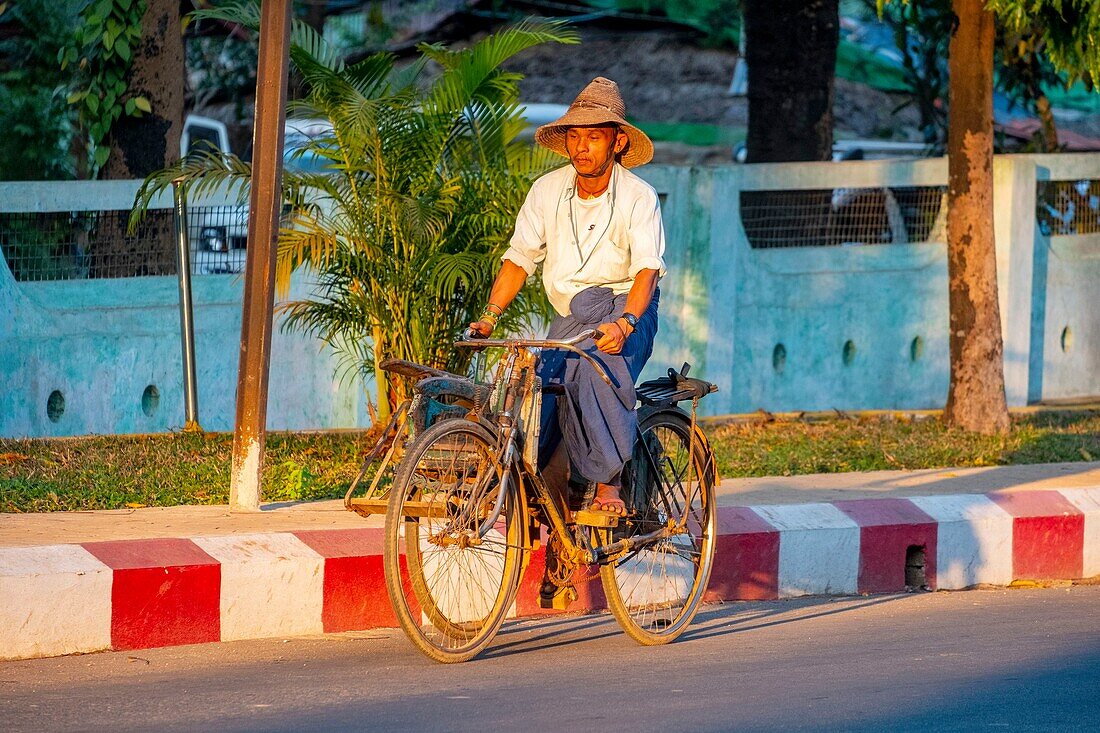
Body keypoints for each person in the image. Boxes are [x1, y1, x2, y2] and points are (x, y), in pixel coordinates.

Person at [468, 76, 666, 518]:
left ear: (616, 143)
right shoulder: (546, 191)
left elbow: (646, 272)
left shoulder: (639, 196)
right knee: (540, 383)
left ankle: (608, 482)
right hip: (573, 315)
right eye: (575, 137)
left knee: (596, 369)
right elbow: (519, 259)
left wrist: (625, 324)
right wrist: (490, 315)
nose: (582, 147)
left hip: (627, 306)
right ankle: (541, 496)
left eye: (594, 137)